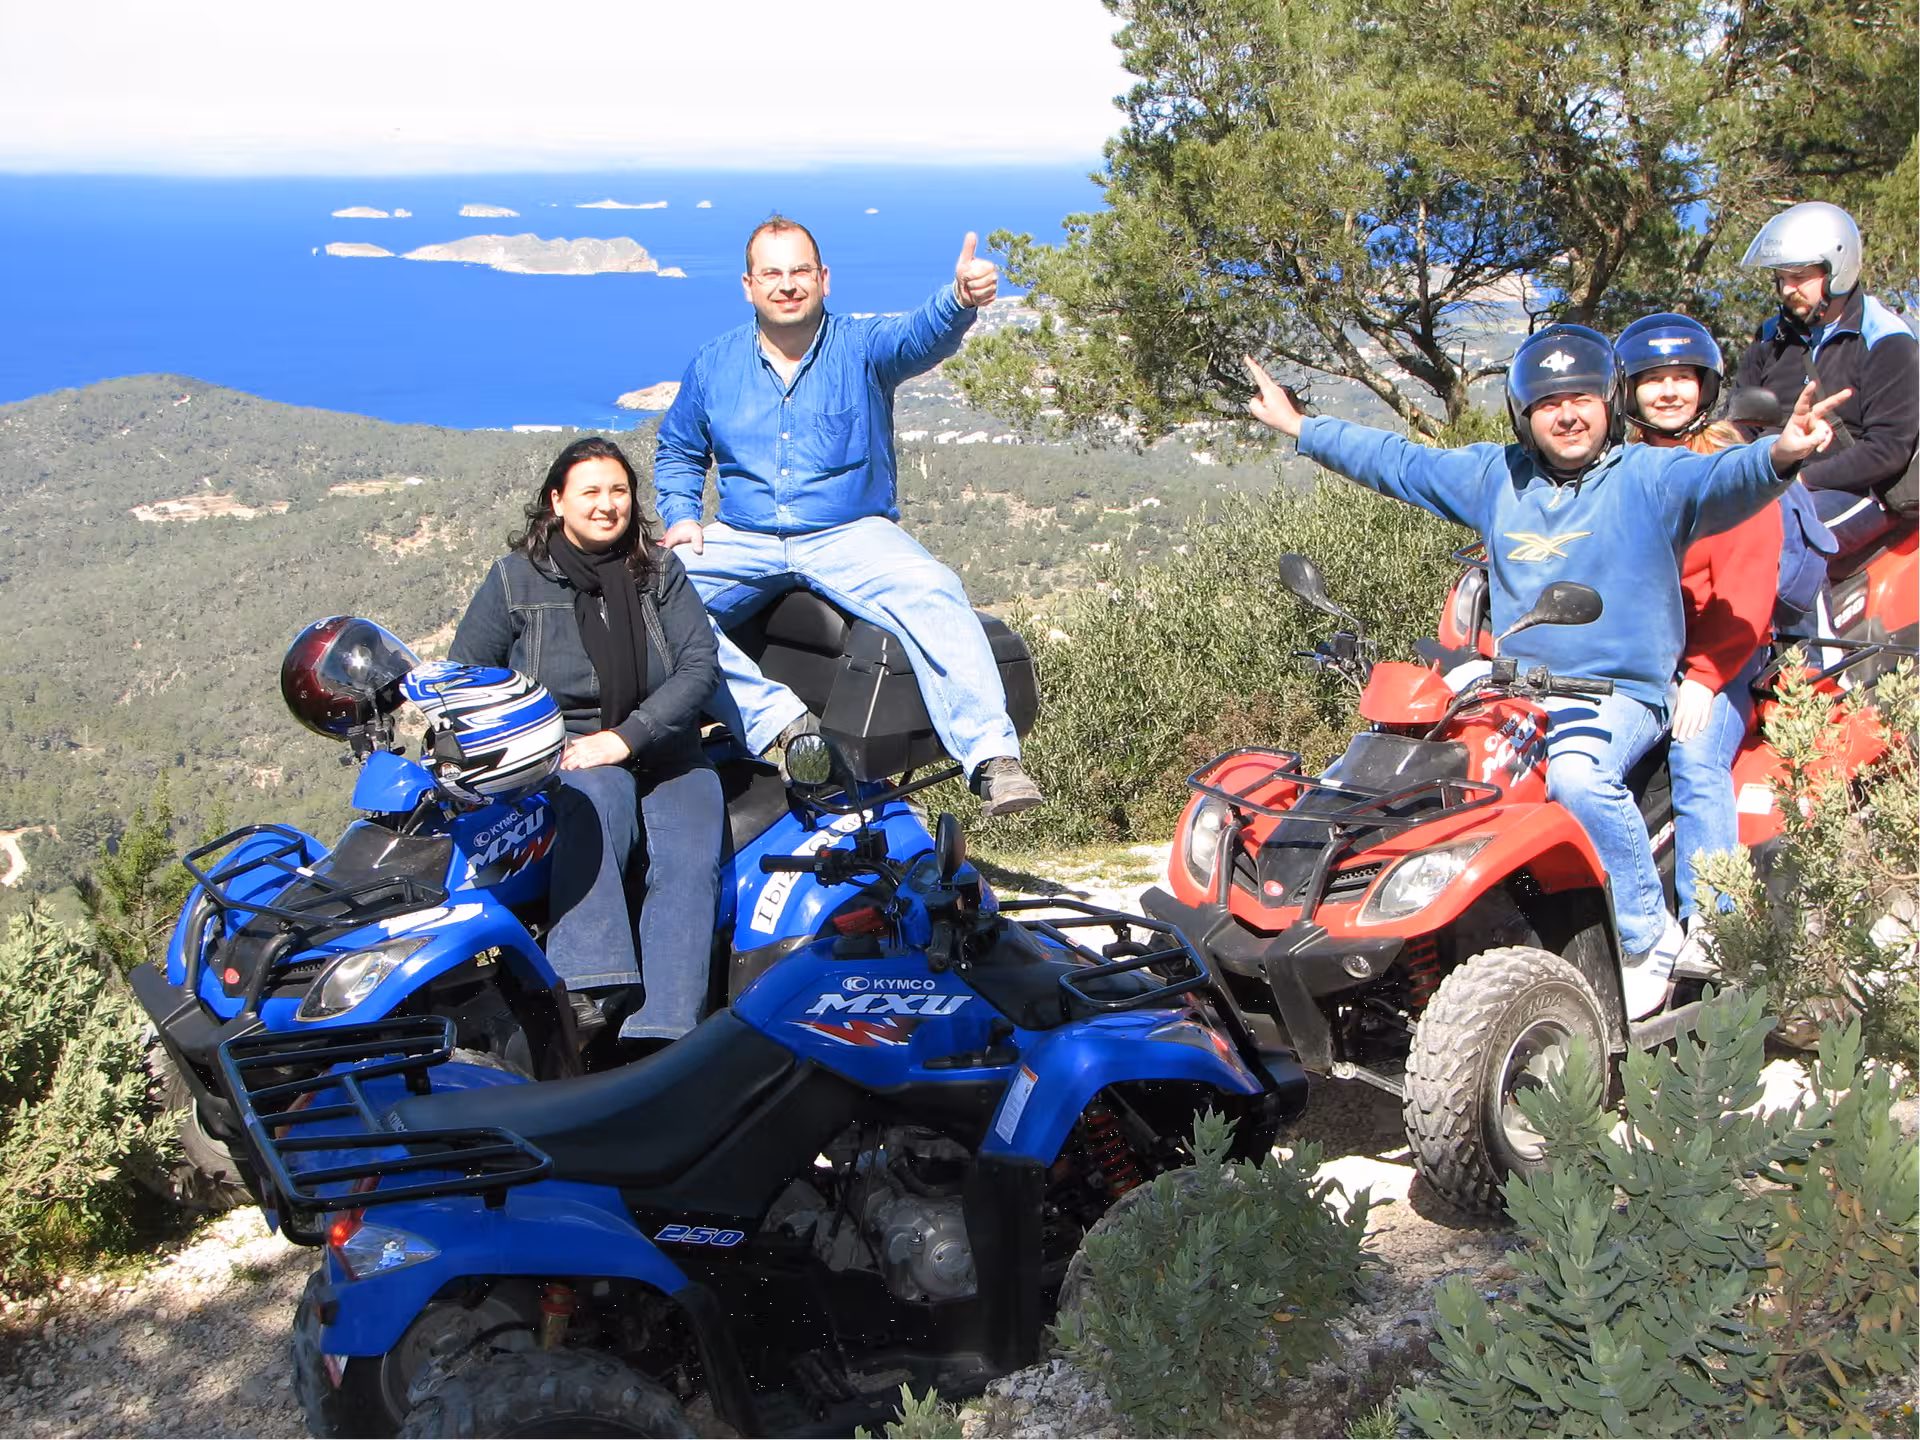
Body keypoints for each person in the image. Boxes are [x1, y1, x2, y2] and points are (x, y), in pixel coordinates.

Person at [1242, 327, 1849, 1018]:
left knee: (1577, 775)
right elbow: (1400, 461)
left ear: (1609, 402)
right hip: (1517, 686)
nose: (1568, 413)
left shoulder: (1649, 476)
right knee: (1433, 768)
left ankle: (1650, 936)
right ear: (1524, 415)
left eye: (1583, 398)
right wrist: (1300, 426)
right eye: (1549, 401)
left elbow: (1725, 481)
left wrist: (1783, 454)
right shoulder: (1496, 476)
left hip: (1619, 690)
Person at [652, 215, 1042, 817]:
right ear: (748, 285)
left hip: (850, 533)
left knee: (934, 588)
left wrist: (960, 299)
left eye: (800, 271)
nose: (787, 285)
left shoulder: (859, 348)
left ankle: (993, 758)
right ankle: (780, 722)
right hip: (744, 536)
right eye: (772, 273)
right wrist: (680, 515)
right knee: (653, 592)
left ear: (824, 279)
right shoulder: (715, 365)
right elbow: (679, 449)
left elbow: (917, 337)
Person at [449, 436, 724, 1043]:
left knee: (689, 857)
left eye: (619, 491)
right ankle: (591, 987)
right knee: (595, 795)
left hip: (667, 749)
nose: (607, 505)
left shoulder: (659, 571)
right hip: (565, 751)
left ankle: (669, 1034)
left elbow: (698, 668)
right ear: (557, 500)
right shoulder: (515, 579)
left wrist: (628, 737)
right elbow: (467, 674)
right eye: (590, 492)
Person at [1615, 313, 1831, 952]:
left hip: (1719, 655)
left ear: (1706, 387)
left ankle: (1717, 925)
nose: (1669, 391)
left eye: (1683, 377)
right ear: (1627, 391)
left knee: (1695, 755)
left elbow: (1743, 588)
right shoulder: (1612, 469)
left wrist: (1706, 679)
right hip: (1634, 659)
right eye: (1654, 379)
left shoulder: (1732, 468)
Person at [1734, 201, 1919, 559]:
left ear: (1838, 270)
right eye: (1781, 278)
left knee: (1787, 542)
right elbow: (1742, 423)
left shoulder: (1885, 339)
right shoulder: (1770, 338)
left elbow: (1888, 450)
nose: (1788, 289)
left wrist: (1801, 482)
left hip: (1862, 490)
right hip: (1774, 483)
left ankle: (1811, 617)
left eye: (1800, 277)